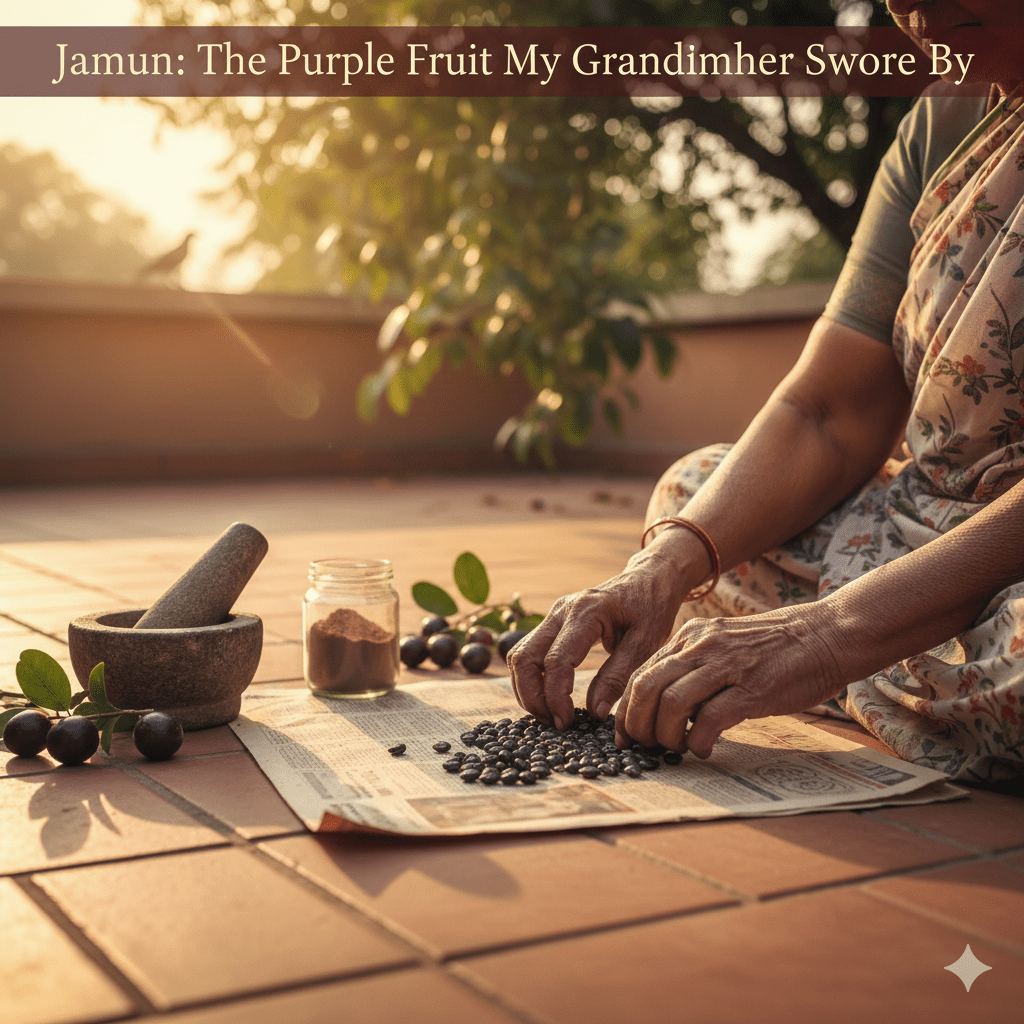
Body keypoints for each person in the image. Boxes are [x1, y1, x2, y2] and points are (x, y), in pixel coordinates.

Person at [509, 0, 1024, 784]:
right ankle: (893, 662)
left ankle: (860, 664)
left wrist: (825, 636)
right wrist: (666, 567)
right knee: (691, 503)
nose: (921, 6)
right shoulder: (943, 120)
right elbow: (825, 411)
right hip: (928, 525)